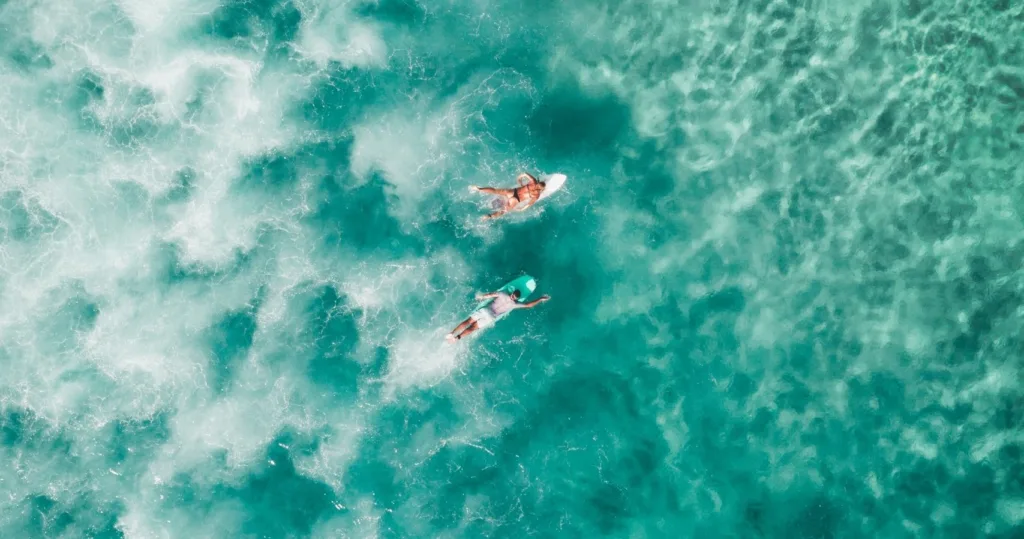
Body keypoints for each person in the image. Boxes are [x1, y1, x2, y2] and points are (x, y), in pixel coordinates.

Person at [446, 289, 550, 342]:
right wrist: (540, 299)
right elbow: (528, 305)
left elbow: (490, 295)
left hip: (487, 310)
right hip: (491, 318)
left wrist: (481, 296)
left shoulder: (503, 294)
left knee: (468, 321)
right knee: (473, 328)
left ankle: (452, 333)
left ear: (512, 294)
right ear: (516, 298)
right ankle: (457, 338)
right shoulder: (514, 304)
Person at [471, 172, 547, 220]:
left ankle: (479, 189)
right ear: (541, 189)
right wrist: (521, 209)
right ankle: (488, 216)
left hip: (512, 192)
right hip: (516, 200)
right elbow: (528, 204)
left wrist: (519, 180)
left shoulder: (533, 181)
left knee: (495, 190)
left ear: (538, 182)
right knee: (503, 211)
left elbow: (524, 174)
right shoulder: (537, 195)